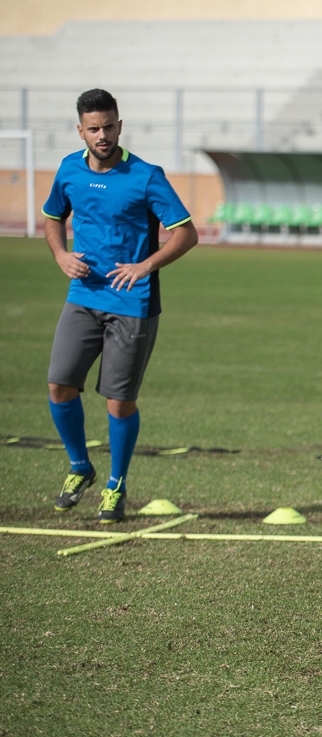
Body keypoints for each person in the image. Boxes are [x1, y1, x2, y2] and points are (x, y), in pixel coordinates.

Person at [44, 88, 198, 524]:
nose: (103, 135)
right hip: (83, 296)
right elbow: (54, 216)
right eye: (94, 128)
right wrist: (60, 255)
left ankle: (116, 485)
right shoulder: (69, 169)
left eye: (109, 126)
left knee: (118, 402)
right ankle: (79, 467)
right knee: (59, 386)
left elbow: (186, 232)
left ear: (120, 125)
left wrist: (146, 265)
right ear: (81, 131)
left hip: (134, 304)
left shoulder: (146, 175)